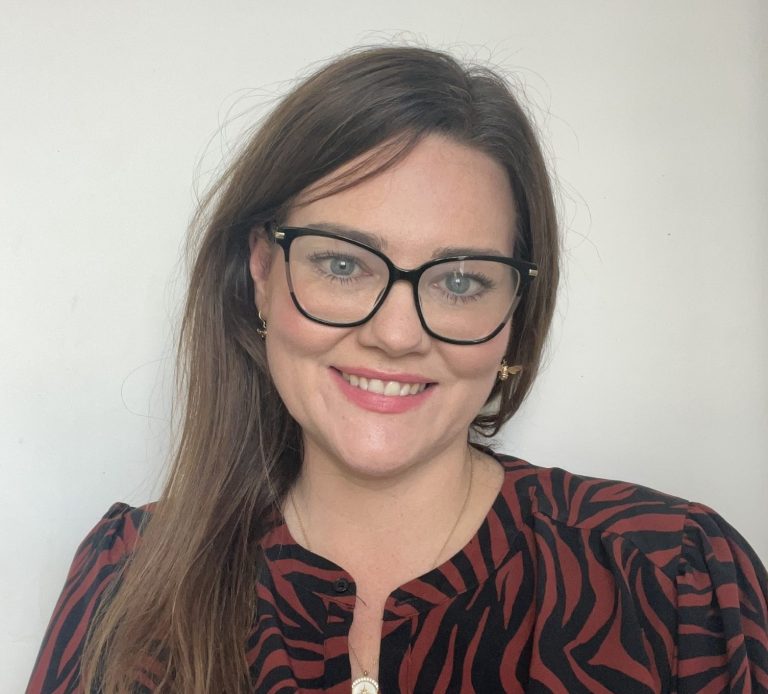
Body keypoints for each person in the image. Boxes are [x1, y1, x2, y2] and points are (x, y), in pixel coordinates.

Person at [27, 45, 767, 694]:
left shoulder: (675, 580)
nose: (396, 335)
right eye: (343, 265)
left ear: (515, 311)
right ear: (261, 272)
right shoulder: (127, 580)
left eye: (460, 281)